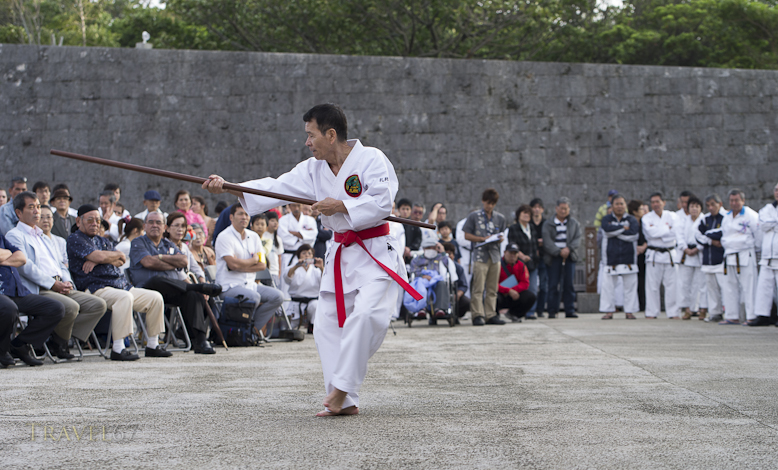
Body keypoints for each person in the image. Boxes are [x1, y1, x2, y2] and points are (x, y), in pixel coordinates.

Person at [204, 103, 418, 417]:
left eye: (311, 135)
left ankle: (343, 386)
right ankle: (344, 401)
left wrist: (342, 205)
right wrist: (231, 186)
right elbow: (276, 187)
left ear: (331, 135)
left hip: (374, 252)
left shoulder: (371, 158)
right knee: (325, 326)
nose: (307, 142)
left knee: (367, 316)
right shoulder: (312, 169)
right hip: (340, 255)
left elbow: (383, 201)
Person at [6, 192, 107, 360]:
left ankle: (56, 338)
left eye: (38, 207)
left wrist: (66, 281)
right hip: (39, 287)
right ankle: (59, 343)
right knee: (71, 307)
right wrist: (53, 284)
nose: (37, 211)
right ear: (18, 213)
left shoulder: (43, 237)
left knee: (98, 305)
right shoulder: (15, 235)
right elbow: (25, 266)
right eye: (31, 207)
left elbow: (60, 264)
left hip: (60, 284)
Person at [67, 204, 167, 361]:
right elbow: (104, 257)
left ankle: (153, 345)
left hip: (120, 285)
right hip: (95, 288)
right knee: (123, 298)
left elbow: (120, 257)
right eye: (90, 220)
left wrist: (98, 258)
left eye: (98, 220)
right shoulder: (75, 238)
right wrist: (101, 258)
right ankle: (118, 348)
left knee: (155, 297)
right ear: (79, 221)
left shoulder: (102, 240)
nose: (95, 223)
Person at [127, 211, 220, 354]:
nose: (154, 225)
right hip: (146, 290)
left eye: (158, 222)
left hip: (169, 289)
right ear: (144, 226)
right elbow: (148, 262)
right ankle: (197, 286)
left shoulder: (167, 244)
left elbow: (183, 261)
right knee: (158, 279)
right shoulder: (138, 242)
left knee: (195, 295)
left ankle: (200, 341)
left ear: (164, 227)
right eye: (151, 222)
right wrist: (170, 262)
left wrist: (160, 258)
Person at [214, 204, 284, 337]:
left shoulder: (254, 237)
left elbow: (262, 265)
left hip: (251, 284)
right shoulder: (224, 236)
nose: (244, 217)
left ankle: (250, 330)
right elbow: (232, 264)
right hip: (229, 286)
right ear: (231, 217)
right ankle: (244, 330)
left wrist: (240, 264)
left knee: (277, 296)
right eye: (240, 214)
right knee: (254, 297)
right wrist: (252, 261)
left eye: (246, 214)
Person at [0, 233, 65, 366]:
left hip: (17, 291)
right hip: (2, 292)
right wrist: (9, 254)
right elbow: (13, 255)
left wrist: (4, 257)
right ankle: (2, 351)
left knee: (55, 308)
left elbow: (21, 258)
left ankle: (19, 345)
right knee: (8, 308)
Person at [716, 189, 761, 325]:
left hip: (745, 253)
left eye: (737, 200)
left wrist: (756, 252)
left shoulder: (751, 215)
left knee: (749, 287)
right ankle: (732, 316)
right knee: (729, 287)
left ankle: (751, 316)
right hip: (729, 255)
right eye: (731, 201)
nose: (734, 203)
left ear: (743, 201)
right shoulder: (727, 216)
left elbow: (758, 237)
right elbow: (724, 236)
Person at [463, 188, 507, 326]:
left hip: (494, 255)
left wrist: (499, 238)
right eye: (488, 203)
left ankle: (491, 314)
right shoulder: (474, 216)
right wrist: (482, 238)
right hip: (480, 255)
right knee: (478, 287)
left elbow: (502, 233)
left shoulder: (500, 218)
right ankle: (477, 315)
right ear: (483, 201)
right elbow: (466, 235)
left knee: (493, 288)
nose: (490, 206)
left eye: (493, 203)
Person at [599, 195, 640, 320]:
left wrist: (615, 232)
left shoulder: (631, 219)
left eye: (622, 204)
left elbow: (633, 234)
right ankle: (608, 311)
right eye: (617, 204)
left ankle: (629, 311)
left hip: (628, 257)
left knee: (630, 287)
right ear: (612, 206)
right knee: (608, 287)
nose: (619, 206)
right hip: (611, 258)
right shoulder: (606, 219)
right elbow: (606, 231)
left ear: (625, 206)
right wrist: (623, 228)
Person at [642, 192, 681, 319]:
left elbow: (675, 233)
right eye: (653, 202)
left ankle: (673, 312)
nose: (655, 204)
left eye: (657, 202)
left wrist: (659, 231)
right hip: (654, 254)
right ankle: (652, 312)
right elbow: (650, 233)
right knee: (652, 285)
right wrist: (666, 229)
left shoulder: (673, 216)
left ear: (663, 202)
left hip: (670, 253)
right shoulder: (646, 218)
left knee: (672, 285)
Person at [542, 197, 581, 319]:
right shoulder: (548, 223)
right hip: (554, 257)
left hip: (569, 256)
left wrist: (568, 249)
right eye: (561, 208)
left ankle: (570, 310)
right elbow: (547, 242)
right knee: (553, 284)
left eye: (566, 208)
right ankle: (552, 310)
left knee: (569, 284)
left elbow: (577, 239)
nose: (563, 211)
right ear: (556, 208)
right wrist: (558, 251)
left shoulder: (574, 223)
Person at [408, 236, 458, 323]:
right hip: (422, 279)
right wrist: (423, 275)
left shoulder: (440, 257)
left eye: (433, 247)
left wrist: (442, 251)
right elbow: (413, 270)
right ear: (423, 249)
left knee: (441, 284)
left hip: (436, 279)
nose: (431, 249)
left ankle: (440, 309)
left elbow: (448, 266)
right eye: (428, 248)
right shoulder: (417, 259)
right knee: (420, 285)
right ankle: (421, 308)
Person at [696, 194, 727, 323]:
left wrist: (709, 235)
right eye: (708, 205)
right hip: (707, 259)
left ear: (720, 204)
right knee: (711, 288)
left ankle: (729, 312)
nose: (710, 208)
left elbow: (722, 233)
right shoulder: (705, 219)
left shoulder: (725, 218)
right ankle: (715, 313)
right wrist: (711, 241)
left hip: (720, 259)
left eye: (713, 204)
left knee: (724, 287)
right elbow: (698, 234)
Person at [752, 182, 778, 326]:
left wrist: (771, 224)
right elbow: (763, 224)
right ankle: (762, 316)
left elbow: (769, 224)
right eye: (776, 190)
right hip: (767, 255)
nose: (777, 192)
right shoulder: (767, 209)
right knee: (764, 288)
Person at [677, 197, 707, 320]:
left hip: (699, 253)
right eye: (692, 206)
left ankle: (702, 309)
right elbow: (679, 236)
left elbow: (705, 236)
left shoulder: (705, 220)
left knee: (700, 283)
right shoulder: (683, 220)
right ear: (688, 208)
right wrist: (685, 248)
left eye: (697, 206)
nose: (694, 209)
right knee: (685, 283)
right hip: (686, 254)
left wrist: (697, 248)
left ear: (701, 208)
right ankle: (688, 309)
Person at [507, 205, 539, 319]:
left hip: (532, 263)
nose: (526, 215)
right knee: (517, 288)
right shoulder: (514, 228)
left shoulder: (532, 229)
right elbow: (512, 245)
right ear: (518, 214)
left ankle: (530, 312)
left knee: (533, 288)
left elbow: (535, 246)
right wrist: (521, 256)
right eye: (524, 213)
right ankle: (515, 311)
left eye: (528, 214)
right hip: (518, 264)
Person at [285, 244, 323, 334]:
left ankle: (312, 325)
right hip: (296, 303)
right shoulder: (293, 268)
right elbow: (287, 278)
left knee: (315, 305)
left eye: (309, 253)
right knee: (288, 326)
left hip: (312, 302)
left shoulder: (316, 270)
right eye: (304, 253)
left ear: (313, 256)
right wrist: (296, 266)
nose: (307, 255)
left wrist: (321, 267)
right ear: (299, 255)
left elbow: (325, 282)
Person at [277, 202, 318, 282]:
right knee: (287, 281)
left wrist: (294, 233)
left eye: (298, 205)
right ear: (289, 206)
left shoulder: (310, 220)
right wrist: (303, 235)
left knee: (308, 281)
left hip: (307, 257)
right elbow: (283, 237)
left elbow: (313, 235)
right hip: (288, 256)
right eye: (294, 206)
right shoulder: (283, 220)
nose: (296, 208)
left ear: (302, 206)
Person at [496, 243, 536, 322]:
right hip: (501, 294)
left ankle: (514, 314)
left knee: (530, 296)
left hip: (515, 294)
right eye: (510, 253)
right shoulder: (498, 264)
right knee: (493, 296)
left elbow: (525, 283)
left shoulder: (521, 265)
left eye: (515, 253)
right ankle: (494, 315)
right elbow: (493, 284)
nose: (512, 256)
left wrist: (513, 291)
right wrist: (508, 291)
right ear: (504, 252)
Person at [627, 200, 648, 312]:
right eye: (640, 209)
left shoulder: (645, 222)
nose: (643, 211)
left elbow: (650, 236)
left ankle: (644, 305)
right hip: (632, 254)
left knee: (644, 281)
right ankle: (634, 306)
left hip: (644, 254)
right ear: (634, 211)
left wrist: (644, 246)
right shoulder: (629, 222)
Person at [442, 242, 470, 320]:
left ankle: (456, 316)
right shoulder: (437, 266)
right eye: (445, 253)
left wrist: (458, 294)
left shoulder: (458, 268)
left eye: (450, 254)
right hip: (441, 293)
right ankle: (433, 317)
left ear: (454, 255)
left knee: (466, 302)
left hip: (453, 293)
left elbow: (463, 285)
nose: (447, 256)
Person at [529, 198, 547, 317]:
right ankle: (531, 311)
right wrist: (537, 242)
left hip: (545, 257)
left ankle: (540, 310)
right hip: (533, 258)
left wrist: (543, 242)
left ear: (542, 209)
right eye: (534, 207)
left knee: (545, 286)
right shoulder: (528, 223)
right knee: (533, 286)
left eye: (539, 207)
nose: (536, 210)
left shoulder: (546, 223)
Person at [262, 210, 285, 287]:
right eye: (272, 220)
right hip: (264, 270)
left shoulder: (278, 239)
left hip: (275, 271)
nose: (275, 223)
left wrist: (279, 272)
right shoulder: (262, 236)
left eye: (277, 221)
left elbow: (279, 257)